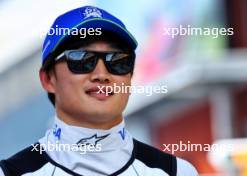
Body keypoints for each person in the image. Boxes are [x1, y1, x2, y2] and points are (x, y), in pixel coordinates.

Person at [0, 5, 198, 176]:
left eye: (118, 60)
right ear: (48, 79)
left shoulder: (176, 172)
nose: (102, 74)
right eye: (82, 58)